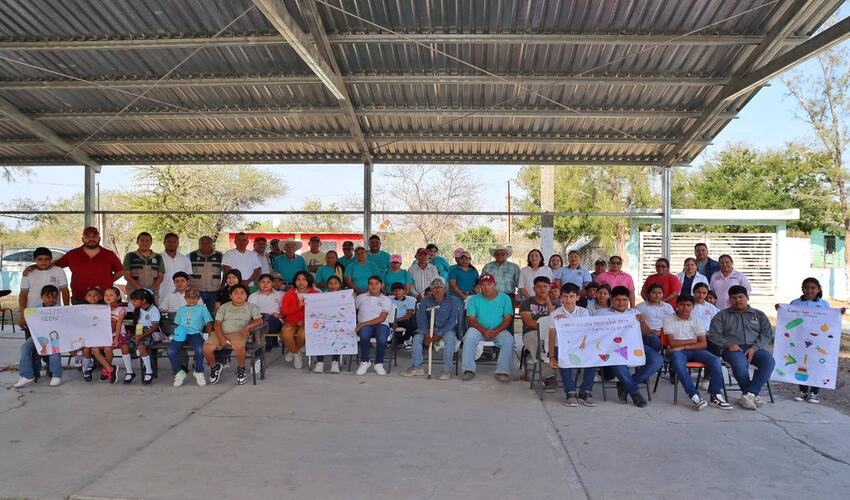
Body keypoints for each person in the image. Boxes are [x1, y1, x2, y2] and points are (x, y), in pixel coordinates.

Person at [708, 285, 775, 410]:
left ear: (747, 297)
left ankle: (749, 394)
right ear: (729, 300)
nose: (737, 300)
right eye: (733, 298)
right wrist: (728, 344)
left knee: (769, 361)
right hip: (732, 349)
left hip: (755, 348)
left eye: (740, 297)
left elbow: (767, 334)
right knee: (740, 364)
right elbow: (713, 335)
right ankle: (750, 395)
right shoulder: (721, 315)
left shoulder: (759, 315)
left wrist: (755, 347)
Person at [594, 286, 663, 408]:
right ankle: (634, 392)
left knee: (657, 360)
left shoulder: (634, 313)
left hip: (634, 345)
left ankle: (625, 384)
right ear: (611, 299)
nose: (621, 303)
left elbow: (646, 332)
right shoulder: (602, 314)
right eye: (618, 299)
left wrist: (642, 322)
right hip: (612, 348)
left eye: (624, 300)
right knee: (618, 359)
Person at [663, 294, 733, 410]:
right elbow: (672, 342)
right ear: (676, 306)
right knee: (679, 365)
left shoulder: (697, 320)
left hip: (694, 351)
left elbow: (703, 344)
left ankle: (715, 396)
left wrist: (682, 346)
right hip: (678, 353)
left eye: (688, 305)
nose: (685, 308)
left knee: (715, 360)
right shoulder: (668, 320)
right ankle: (694, 396)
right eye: (682, 305)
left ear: (693, 307)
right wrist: (693, 340)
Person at [784, 277, 844, 404]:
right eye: (806, 287)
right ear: (802, 289)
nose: (809, 290)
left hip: (818, 341)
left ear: (818, 289)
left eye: (812, 288)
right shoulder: (795, 303)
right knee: (801, 363)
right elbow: (788, 318)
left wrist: (839, 313)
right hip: (800, 339)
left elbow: (830, 320)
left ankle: (815, 392)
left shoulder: (824, 304)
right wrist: (780, 309)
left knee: (816, 364)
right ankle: (803, 390)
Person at [35, 226, 123, 303]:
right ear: (83, 239)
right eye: (87, 236)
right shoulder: (72, 254)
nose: (91, 239)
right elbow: (53, 265)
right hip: (79, 298)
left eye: (94, 236)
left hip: (104, 298)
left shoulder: (109, 254)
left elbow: (121, 271)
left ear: (99, 238)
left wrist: (109, 280)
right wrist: (34, 266)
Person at [401, 277, 461, 379]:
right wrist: (426, 334)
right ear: (431, 290)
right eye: (434, 288)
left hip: (446, 329)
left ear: (445, 289)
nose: (437, 290)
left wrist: (438, 335)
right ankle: (417, 367)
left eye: (440, 288)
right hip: (428, 329)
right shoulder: (425, 301)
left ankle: (446, 370)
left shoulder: (453, 301)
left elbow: (452, 322)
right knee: (416, 339)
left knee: (450, 339)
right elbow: (421, 320)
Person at [204, 284, 263, 386]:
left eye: (242, 293)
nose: (239, 295)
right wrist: (221, 337)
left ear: (246, 296)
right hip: (220, 332)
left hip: (238, 333)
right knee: (206, 348)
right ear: (230, 296)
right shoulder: (224, 307)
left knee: (238, 346)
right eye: (235, 293)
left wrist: (247, 326)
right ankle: (214, 368)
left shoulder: (251, 307)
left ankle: (241, 369)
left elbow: (259, 320)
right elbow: (217, 323)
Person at [547, 283, 596, 407]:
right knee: (563, 359)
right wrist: (551, 356)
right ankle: (570, 392)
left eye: (572, 296)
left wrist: (567, 322)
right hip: (561, 347)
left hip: (580, 346)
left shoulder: (584, 312)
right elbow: (552, 337)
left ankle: (585, 391)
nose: (568, 300)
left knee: (593, 359)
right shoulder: (555, 314)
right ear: (561, 298)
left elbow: (585, 332)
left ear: (577, 297)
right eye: (565, 296)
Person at [461, 273, 515, 383]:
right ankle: (468, 369)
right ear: (479, 286)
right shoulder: (474, 299)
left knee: (508, 339)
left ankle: (502, 371)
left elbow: (507, 318)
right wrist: (483, 330)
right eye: (483, 284)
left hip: (499, 329)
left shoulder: (505, 298)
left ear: (494, 284)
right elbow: (471, 319)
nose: (486, 287)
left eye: (489, 284)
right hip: (479, 329)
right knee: (469, 337)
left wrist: (496, 330)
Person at [13, 285, 64, 388]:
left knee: (54, 349)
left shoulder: (59, 309)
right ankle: (27, 375)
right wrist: (24, 318)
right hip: (39, 336)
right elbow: (29, 322)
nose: (51, 300)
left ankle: (56, 375)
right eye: (48, 297)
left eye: (54, 297)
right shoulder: (35, 309)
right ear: (42, 297)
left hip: (54, 336)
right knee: (25, 348)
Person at [168, 287, 212, 387]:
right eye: (189, 298)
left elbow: (209, 322)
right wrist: (174, 335)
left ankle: (198, 371)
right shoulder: (181, 309)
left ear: (198, 298)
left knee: (200, 349)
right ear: (185, 298)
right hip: (181, 334)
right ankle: (179, 372)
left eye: (194, 298)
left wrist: (210, 336)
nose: (192, 300)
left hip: (195, 334)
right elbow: (177, 324)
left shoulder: (202, 308)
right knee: (171, 351)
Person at [519, 276, 557, 392]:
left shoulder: (556, 304)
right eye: (539, 287)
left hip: (551, 333)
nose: (542, 289)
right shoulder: (526, 302)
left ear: (550, 288)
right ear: (533, 288)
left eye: (545, 286)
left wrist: (549, 302)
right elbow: (529, 322)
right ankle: (549, 377)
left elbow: (554, 319)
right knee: (537, 343)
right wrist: (546, 326)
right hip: (532, 332)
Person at [17, 248, 69, 328]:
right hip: (32, 312)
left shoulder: (58, 271)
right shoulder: (28, 272)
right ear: (35, 260)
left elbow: (64, 290)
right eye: (40, 259)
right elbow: (23, 294)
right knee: (32, 338)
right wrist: (22, 313)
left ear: (51, 259)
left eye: (47, 259)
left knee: (54, 336)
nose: (43, 262)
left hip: (53, 313)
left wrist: (66, 310)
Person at [119, 288, 161, 385]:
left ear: (144, 300)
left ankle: (149, 371)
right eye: (132, 300)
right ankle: (129, 372)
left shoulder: (154, 310)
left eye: (135, 300)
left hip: (150, 333)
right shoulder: (138, 309)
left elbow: (154, 327)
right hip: (139, 331)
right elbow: (138, 325)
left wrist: (141, 336)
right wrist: (138, 335)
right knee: (124, 347)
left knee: (141, 347)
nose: (132, 302)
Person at [280, 271, 320, 369]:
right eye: (298, 280)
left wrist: (304, 320)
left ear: (308, 281)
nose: (301, 282)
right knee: (285, 333)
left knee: (303, 334)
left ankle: (293, 349)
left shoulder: (316, 293)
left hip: (308, 322)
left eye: (304, 279)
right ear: (295, 281)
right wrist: (298, 305)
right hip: (291, 321)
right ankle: (296, 353)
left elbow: (319, 311)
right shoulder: (288, 294)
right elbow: (284, 311)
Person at [354, 275, 392, 376]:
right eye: (371, 284)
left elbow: (382, 318)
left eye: (376, 284)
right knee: (364, 335)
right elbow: (351, 311)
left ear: (381, 285)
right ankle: (365, 361)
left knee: (382, 338)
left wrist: (362, 323)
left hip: (381, 325)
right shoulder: (360, 298)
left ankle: (379, 363)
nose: (373, 286)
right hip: (365, 327)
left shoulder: (386, 300)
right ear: (367, 285)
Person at [80, 286, 112, 382]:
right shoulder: (82, 310)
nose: (92, 297)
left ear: (100, 297)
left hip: (100, 336)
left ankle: (105, 369)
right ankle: (85, 370)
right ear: (85, 298)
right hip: (86, 336)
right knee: (86, 349)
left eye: (95, 295)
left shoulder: (104, 309)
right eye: (89, 295)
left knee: (98, 348)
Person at [313, 275, 344, 374]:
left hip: (339, 324)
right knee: (319, 334)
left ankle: (335, 361)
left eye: (335, 283)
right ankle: (320, 361)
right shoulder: (322, 296)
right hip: (325, 323)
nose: (333, 286)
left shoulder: (344, 296)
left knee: (337, 335)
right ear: (327, 285)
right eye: (330, 283)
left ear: (340, 284)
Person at [189, 236, 223, 316]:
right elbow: (186, 273)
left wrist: (222, 286)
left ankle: (210, 329)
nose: (205, 245)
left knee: (212, 314)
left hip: (214, 291)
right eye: (202, 243)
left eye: (208, 243)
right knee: (196, 313)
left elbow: (225, 272)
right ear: (199, 244)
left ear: (212, 244)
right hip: (196, 291)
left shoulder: (220, 256)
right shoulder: (191, 256)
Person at [123, 232, 164, 300]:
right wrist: (141, 290)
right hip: (134, 295)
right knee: (135, 311)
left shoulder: (158, 257)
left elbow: (161, 277)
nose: (145, 243)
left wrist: (150, 291)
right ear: (137, 242)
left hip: (152, 295)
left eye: (147, 241)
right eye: (142, 240)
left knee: (152, 310)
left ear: (151, 243)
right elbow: (127, 276)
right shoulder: (130, 256)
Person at [248, 274, 284, 350]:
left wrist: (279, 315)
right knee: (260, 321)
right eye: (262, 282)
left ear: (272, 283)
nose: (265, 284)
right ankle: (265, 343)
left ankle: (263, 344)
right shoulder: (253, 296)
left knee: (268, 322)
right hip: (259, 320)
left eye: (268, 282)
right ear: (258, 283)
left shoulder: (280, 295)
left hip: (275, 320)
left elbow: (286, 311)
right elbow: (250, 312)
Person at [635, 284, 674, 352]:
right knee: (654, 340)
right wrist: (650, 331)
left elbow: (673, 321)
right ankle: (659, 355)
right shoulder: (640, 307)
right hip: (647, 334)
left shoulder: (667, 306)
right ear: (648, 294)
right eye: (654, 293)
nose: (657, 295)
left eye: (659, 293)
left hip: (665, 333)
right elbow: (636, 324)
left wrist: (662, 332)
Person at [98, 286, 124, 383]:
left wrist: (116, 339)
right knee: (94, 349)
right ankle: (110, 369)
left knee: (107, 348)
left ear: (117, 297)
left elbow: (119, 325)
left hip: (118, 334)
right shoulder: (102, 309)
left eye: (111, 295)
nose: (107, 297)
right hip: (104, 334)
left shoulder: (120, 309)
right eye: (106, 295)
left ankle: (106, 371)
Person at [389, 282, 417, 347]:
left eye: (399, 290)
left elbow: (409, 314)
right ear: (392, 292)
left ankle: (401, 340)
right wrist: (393, 321)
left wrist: (396, 320)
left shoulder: (409, 300)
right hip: (391, 320)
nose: (397, 292)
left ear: (404, 291)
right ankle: (391, 341)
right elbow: (387, 313)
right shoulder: (389, 300)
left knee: (413, 326)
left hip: (403, 319)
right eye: (395, 291)